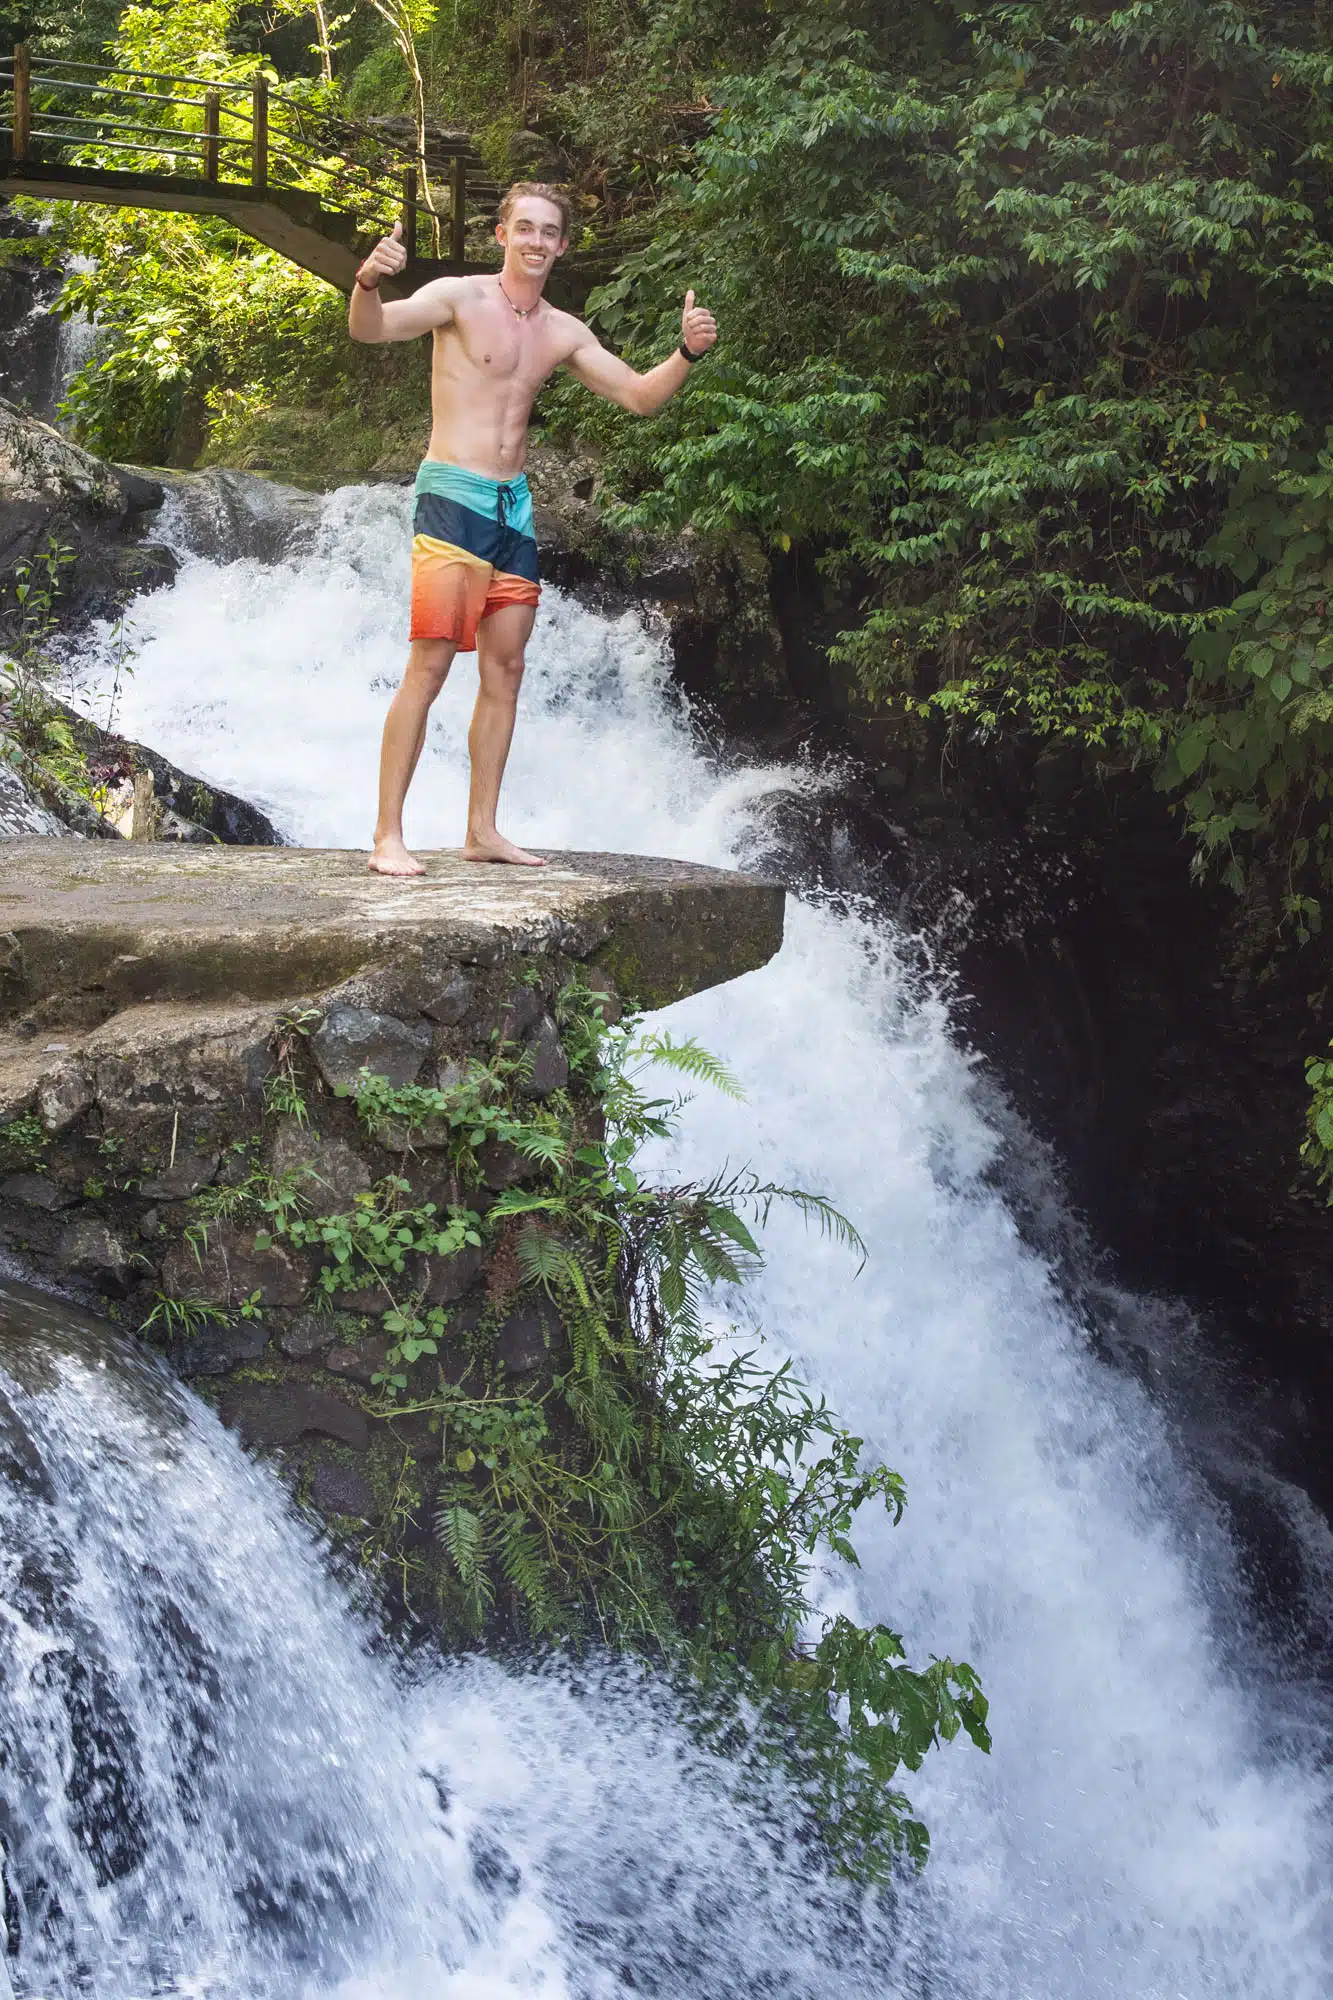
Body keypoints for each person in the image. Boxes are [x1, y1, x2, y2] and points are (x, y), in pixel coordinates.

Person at [348, 181, 718, 874]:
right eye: (524, 228)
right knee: (428, 667)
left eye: (549, 232)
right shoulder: (457, 298)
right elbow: (371, 328)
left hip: (512, 506)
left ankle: (482, 831)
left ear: (562, 244)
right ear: (500, 234)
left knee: (507, 669)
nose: (536, 241)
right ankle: (387, 837)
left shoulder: (562, 330)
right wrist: (367, 281)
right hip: (453, 493)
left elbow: (638, 397)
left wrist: (686, 354)